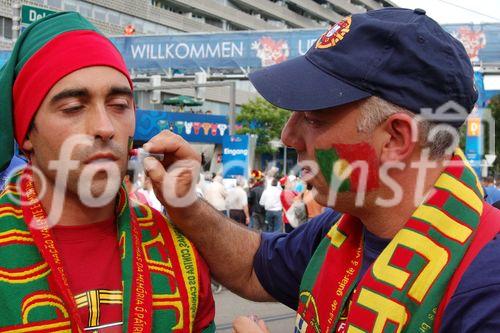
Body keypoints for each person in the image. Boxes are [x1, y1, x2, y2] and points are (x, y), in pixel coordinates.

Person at [138, 8, 500, 333]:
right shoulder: (343, 230)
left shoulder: (486, 287)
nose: (287, 136)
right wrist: (185, 203)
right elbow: (252, 268)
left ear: (395, 138)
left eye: (314, 117)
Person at [0, 12, 215, 332]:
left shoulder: (178, 251)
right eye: (73, 108)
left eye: (119, 105)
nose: (105, 127)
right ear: (27, 134)